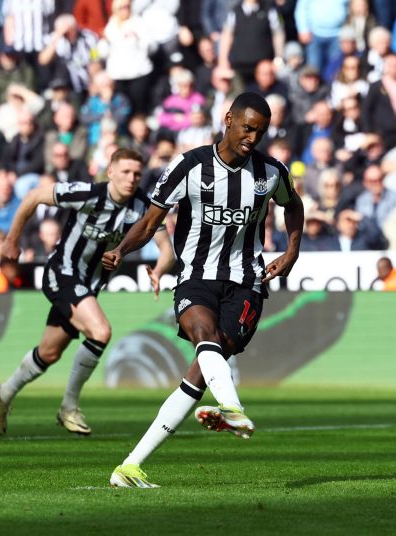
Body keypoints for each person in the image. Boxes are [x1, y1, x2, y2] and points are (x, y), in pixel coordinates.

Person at [101, 92, 304, 488]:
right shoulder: (189, 166)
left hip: (247, 281)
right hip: (195, 276)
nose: (252, 138)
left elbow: (292, 205)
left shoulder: (269, 172)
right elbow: (150, 220)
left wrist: (293, 250)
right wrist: (121, 249)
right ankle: (232, 407)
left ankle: (129, 467)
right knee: (202, 336)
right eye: (247, 128)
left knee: (199, 374)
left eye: (259, 132)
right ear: (228, 119)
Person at [0, 148, 175, 437]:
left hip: (89, 286)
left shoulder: (142, 207)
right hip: (61, 273)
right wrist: (12, 240)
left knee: (49, 353)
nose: (131, 178)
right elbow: (34, 196)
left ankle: (4, 393)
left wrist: (159, 271)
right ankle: (69, 407)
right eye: (125, 171)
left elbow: (167, 250)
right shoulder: (87, 194)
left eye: (137, 173)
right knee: (100, 331)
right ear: (110, 171)